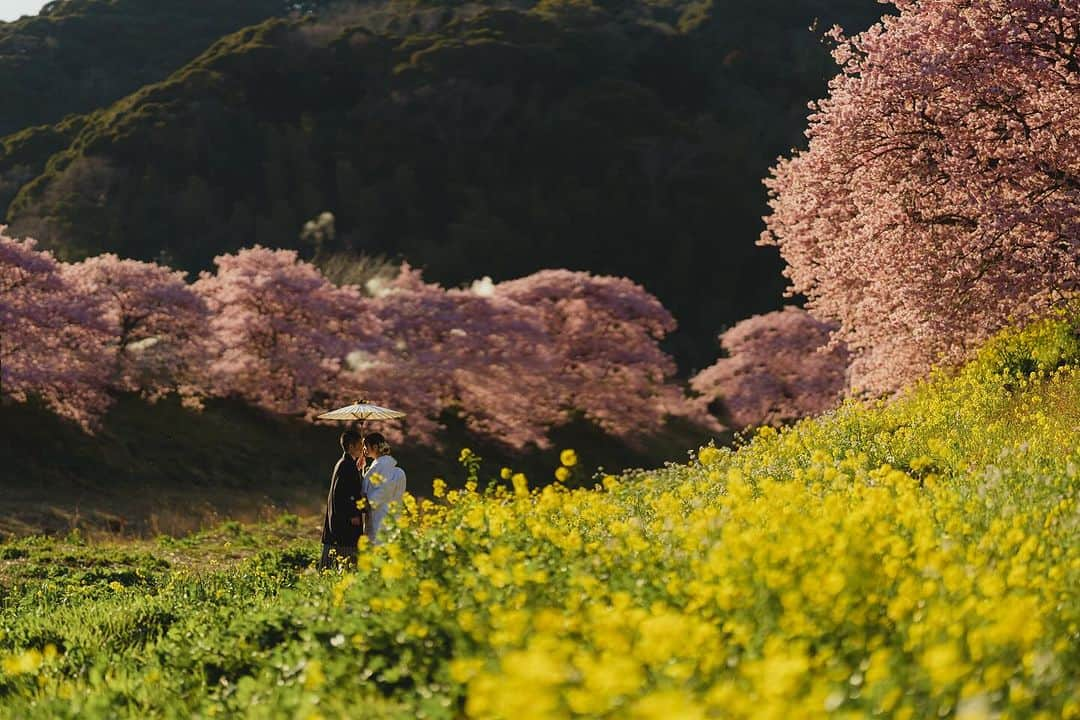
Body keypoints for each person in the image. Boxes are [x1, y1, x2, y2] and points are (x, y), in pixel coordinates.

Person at [319, 429, 366, 569]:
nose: (362, 448)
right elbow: (340, 495)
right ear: (351, 446)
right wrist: (352, 514)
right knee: (347, 562)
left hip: (342, 523)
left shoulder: (346, 463)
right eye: (359, 444)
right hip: (345, 524)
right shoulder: (346, 465)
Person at [359, 432, 406, 544]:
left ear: (375, 447)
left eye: (366, 446)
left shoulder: (383, 466)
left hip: (381, 514)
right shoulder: (380, 465)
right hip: (383, 513)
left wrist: (366, 500)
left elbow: (382, 491)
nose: (364, 449)